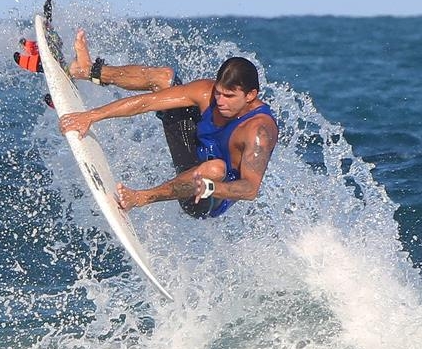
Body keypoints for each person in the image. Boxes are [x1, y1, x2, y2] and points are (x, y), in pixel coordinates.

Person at [26, 29, 280, 218]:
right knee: (165, 78)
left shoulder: (259, 131)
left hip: (207, 196)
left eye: (229, 96)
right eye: (218, 93)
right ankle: (85, 70)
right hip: (194, 152)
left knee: (214, 168)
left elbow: (250, 189)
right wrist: (91, 116)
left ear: (250, 96)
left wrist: (212, 188)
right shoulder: (206, 92)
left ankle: (141, 197)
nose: (220, 101)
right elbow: (148, 102)